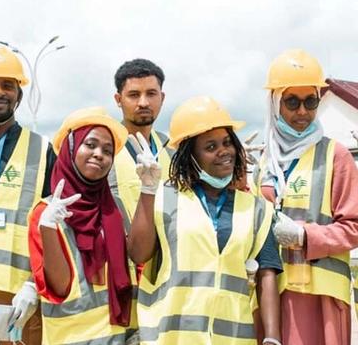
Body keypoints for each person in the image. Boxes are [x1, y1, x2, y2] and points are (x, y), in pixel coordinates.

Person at [128, 96, 282, 345]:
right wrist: (147, 190)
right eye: (210, 147)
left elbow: (268, 274)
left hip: (232, 338)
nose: (224, 152)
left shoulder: (257, 209)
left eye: (227, 143)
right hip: (173, 337)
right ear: (191, 157)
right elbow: (138, 253)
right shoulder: (165, 198)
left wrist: (272, 338)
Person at [252, 49, 358, 344]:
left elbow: (355, 226)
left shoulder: (334, 155)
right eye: (292, 102)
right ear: (274, 103)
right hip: (271, 294)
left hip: (320, 298)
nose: (302, 112)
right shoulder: (264, 161)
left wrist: (304, 236)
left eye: (310, 101)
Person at [28, 107, 137, 344]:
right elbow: (59, 287)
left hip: (119, 337)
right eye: (90, 144)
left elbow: (134, 269)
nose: (99, 154)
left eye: (107, 151)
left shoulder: (115, 208)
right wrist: (49, 228)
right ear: (69, 148)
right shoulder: (43, 212)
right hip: (69, 338)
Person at [0, 46, 56, 344]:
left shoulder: (42, 149)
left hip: (19, 298)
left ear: (18, 95)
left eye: (7, 85)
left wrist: (35, 286)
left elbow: (54, 226)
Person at [108, 58, 173, 230]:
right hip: (120, 255)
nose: (143, 102)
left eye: (151, 94)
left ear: (162, 97)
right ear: (118, 99)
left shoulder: (172, 149)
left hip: (166, 255)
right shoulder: (104, 148)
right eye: (134, 95)